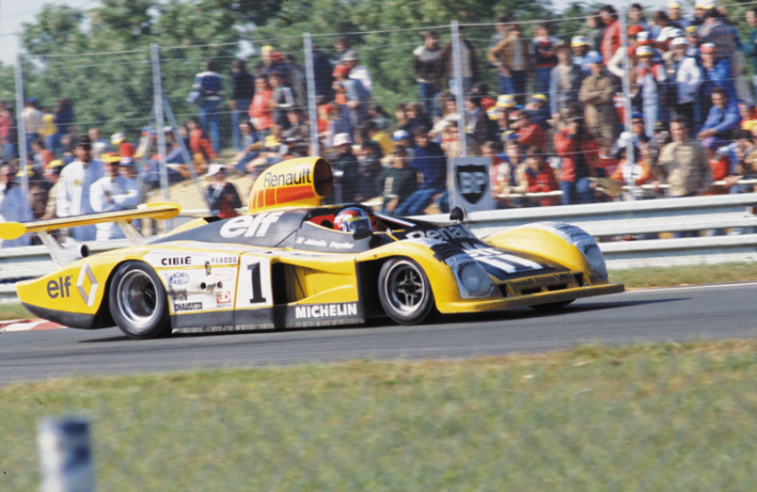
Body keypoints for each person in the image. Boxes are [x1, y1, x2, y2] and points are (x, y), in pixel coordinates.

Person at [56, 136, 104, 241]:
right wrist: (64, 221)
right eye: (82, 148)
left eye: (87, 148)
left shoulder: (101, 166)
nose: (85, 152)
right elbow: (63, 197)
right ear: (75, 151)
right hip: (76, 218)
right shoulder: (69, 170)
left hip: (97, 218)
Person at [652, 115, 712, 197]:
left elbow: (707, 169)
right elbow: (660, 172)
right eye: (676, 129)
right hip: (674, 193)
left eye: (681, 129)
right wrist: (651, 159)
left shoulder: (697, 147)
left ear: (687, 129)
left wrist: (703, 188)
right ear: (671, 131)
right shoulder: (667, 149)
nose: (679, 132)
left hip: (693, 193)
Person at [394, 126, 447, 216]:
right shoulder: (414, 152)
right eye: (422, 137)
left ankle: (431, 226)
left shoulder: (437, 149)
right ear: (416, 139)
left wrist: (440, 191)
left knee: (414, 211)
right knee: (399, 212)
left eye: (426, 137)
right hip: (420, 189)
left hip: (433, 189)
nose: (425, 139)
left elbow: (444, 172)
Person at [89, 152, 141, 240]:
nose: (114, 167)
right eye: (110, 164)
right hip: (108, 232)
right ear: (104, 166)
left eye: (116, 164)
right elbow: (100, 207)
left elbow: (135, 199)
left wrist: (113, 200)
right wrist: (124, 206)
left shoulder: (131, 183)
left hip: (130, 231)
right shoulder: (97, 185)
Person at [554, 113, 599, 205]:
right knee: (567, 201)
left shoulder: (587, 134)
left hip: (585, 174)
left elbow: (595, 153)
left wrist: (587, 134)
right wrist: (572, 135)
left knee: (585, 190)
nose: (578, 124)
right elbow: (562, 152)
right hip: (568, 175)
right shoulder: (562, 133)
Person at [579, 51, 619, 143]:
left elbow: (608, 96)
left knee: (609, 144)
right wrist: (599, 92)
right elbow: (582, 97)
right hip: (591, 121)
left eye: (600, 63)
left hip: (607, 120)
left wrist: (591, 95)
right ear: (590, 65)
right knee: (594, 148)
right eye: (595, 63)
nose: (598, 66)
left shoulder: (609, 78)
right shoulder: (587, 81)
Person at [487, 23, 532, 103]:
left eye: (518, 30)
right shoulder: (505, 42)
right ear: (509, 32)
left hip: (521, 71)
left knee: (521, 95)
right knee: (511, 96)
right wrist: (498, 63)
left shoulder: (524, 42)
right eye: (514, 30)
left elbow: (527, 57)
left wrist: (529, 70)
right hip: (510, 72)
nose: (517, 32)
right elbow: (491, 53)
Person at [190, 60, 224, 154]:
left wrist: (205, 91)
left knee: (204, 127)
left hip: (205, 102)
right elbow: (221, 91)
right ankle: (216, 150)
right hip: (215, 102)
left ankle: (205, 149)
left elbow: (196, 87)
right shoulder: (219, 77)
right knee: (215, 127)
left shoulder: (201, 75)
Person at [376, 145, 418, 215]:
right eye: (398, 156)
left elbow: (413, 191)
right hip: (386, 204)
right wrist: (383, 196)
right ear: (393, 157)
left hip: (402, 205)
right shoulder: (388, 171)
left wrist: (398, 200)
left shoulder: (411, 172)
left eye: (402, 155)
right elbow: (378, 183)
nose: (400, 158)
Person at [441, 27, 479, 97]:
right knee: (456, 98)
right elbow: (443, 62)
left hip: (467, 76)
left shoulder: (468, 45)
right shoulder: (448, 47)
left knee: (467, 98)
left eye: (460, 32)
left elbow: (473, 61)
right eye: (455, 33)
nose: (458, 34)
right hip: (453, 77)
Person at [549, 42, 585, 119]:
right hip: (563, 106)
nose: (565, 53)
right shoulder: (555, 70)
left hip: (577, 106)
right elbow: (554, 92)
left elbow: (583, 86)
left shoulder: (577, 68)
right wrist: (554, 111)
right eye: (561, 51)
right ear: (557, 54)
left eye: (567, 50)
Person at [413, 30, 444, 118]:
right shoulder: (419, 51)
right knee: (426, 104)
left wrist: (436, 78)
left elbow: (442, 67)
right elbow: (416, 67)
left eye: (435, 39)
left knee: (437, 103)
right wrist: (425, 76)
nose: (433, 41)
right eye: (430, 39)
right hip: (423, 82)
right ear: (426, 40)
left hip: (436, 82)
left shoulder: (441, 52)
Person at [230, 60, 254, 152]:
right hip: (248, 101)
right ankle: (249, 144)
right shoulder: (250, 76)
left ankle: (238, 147)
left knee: (237, 126)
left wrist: (233, 100)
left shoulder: (235, 77)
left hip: (239, 102)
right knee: (248, 124)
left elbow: (235, 89)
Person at [532, 22, 559, 96]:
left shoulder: (555, 40)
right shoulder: (535, 42)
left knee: (554, 89)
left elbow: (556, 54)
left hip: (553, 67)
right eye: (542, 29)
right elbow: (535, 56)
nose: (545, 31)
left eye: (546, 29)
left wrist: (544, 53)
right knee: (542, 90)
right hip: (540, 69)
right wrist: (549, 53)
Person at [332, 133, 361, 202]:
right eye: (341, 145)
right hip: (335, 191)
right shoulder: (336, 158)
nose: (344, 147)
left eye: (346, 145)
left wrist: (335, 172)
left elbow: (350, 176)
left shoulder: (351, 159)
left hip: (347, 191)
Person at [249, 75, 274, 141]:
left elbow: (262, 109)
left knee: (267, 146)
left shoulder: (269, 93)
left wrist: (255, 113)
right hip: (258, 125)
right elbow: (251, 109)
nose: (260, 85)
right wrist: (254, 113)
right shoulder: (257, 94)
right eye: (258, 83)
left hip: (267, 124)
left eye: (262, 82)